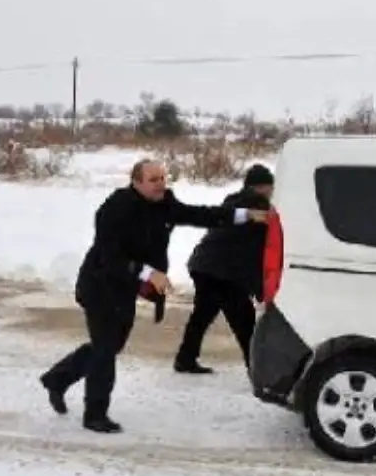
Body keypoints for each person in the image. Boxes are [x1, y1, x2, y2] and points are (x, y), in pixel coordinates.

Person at [38, 158, 267, 433]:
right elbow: (109, 256)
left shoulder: (164, 204)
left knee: (110, 345)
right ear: (136, 182)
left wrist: (247, 215)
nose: (160, 184)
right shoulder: (115, 209)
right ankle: (95, 414)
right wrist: (148, 273)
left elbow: (200, 214)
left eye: (162, 178)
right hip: (99, 285)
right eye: (153, 180)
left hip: (125, 288)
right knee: (106, 348)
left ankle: (58, 378)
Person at [174, 163, 274, 374]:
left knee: (202, 315)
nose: (272, 191)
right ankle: (257, 371)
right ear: (262, 187)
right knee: (244, 321)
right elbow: (259, 249)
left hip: (202, 264)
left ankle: (185, 358)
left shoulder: (234, 201)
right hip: (223, 273)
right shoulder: (259, 207)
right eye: (269, 186)